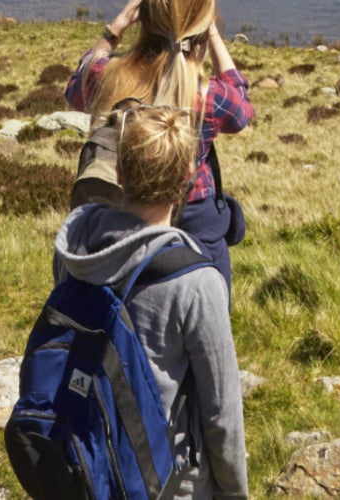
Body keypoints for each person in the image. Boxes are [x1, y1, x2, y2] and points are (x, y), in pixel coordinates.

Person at [49, 105, 247, 500]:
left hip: (83, 460)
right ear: (187, 181)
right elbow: (221, 414)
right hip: (165, 482)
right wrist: (235, 493)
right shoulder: (198, 283)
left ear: (119, 173)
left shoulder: (74, 249)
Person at [67, 0, 252, 289]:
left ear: (144, 13)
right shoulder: (209, 96)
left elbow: (77, 84)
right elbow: (242, 112)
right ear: (202, 23)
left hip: (121, 214)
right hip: (197, 220)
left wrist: (116, 27)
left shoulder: (109, 76)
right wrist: (212, 35)